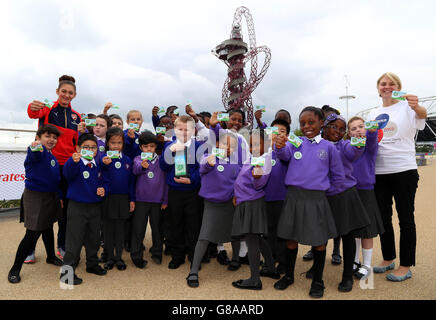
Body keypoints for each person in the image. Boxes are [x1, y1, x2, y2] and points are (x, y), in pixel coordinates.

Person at [273, 107, 343, 298]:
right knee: (291, 239)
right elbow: (284, 154)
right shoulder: (296, 142)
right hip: (294, 198)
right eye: (302, 123)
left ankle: (318, 280)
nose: (306, 126)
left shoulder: (329, 147)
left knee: (319, 242)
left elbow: (338, 177)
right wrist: (279, 146)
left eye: (311, 122)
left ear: (322, 123)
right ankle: (288, 276)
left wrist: (325, 195)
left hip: (317, 200)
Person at [367, 72, 427, 281]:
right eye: (383, 83)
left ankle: (406, 265)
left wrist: (417, 105)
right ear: (378, 87)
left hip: (404, 170)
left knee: (405, 218)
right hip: (379, 172)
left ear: (398, 86)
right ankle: (388, 257)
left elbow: (422, 115)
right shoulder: (373, 113)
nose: (387, 86)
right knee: (383, 218)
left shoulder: (407, 107)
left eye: (392, 83)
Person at [27, 75, 81, 260]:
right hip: (47, 165)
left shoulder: (77, 116)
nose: (67, 95)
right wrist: (32, 107)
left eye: (70, 93)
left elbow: (77, 142)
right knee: (40, 210)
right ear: (57, 92)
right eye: (63, 91)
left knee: (64, 209)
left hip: (67, 168)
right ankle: (30, 249)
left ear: (75, 95)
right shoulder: (48, 109)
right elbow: (33, 113)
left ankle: (62, 245)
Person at [321, 113, 371, 292]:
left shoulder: (345, 145)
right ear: (324, 127)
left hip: (344, 195)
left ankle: (347, 276)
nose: (338, 131)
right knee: (321, 235)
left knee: (348, 236)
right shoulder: (318, 145)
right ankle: (316, 268)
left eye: (342, 129)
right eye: (334, 126)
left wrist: (359, 141)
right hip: (323, 196)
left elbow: (354, 152)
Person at [8, 125, 64, 283]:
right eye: (48, 136)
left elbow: (56, 180)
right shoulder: (37, 151)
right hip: (35, 197)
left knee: (48, 227)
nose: (52, 140)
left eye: (54, 137)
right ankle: (15, 268)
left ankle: (51, 257)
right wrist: (33, 147)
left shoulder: (52, 157)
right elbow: (33, 153)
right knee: (32, 233)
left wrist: (59, 196)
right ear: (38, 138)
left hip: (51, 196)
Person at [186, 132, 242, 287]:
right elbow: (202, 168)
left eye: (232, 146)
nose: (228, 148)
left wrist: (237, 195)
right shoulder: (208, 158)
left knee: (235, 233)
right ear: (217, 144)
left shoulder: (236, 163)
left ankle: (236, 259)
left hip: (230, 204)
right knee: (204, 236)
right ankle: (193, 271)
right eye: (225, 144)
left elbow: (238, 182)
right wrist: (209, 163)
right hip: (212, 204)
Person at [231, 129, 279, 290]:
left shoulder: (265, 159)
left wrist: (258, 177)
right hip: (246, 201)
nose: (254, 147)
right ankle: (271, 268)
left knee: (252, 239)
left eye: (258, 144)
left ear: (267, 144)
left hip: (252, 203)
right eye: (251, 144)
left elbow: (259, 184)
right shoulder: (253, 157)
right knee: (257, 238)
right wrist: (236, 194)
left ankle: (254, 279)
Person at [59, 133, 109, 285]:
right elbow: (67, 174)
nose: (90, 150)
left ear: (97, 150)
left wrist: (103, 189)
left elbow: (105, 181)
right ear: (78, 148)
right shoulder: (75, 162)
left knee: (93, 238)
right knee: (74, 241)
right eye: (86, 147)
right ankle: (66, 274)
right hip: (77, 207)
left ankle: (92, 265)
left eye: (93, 147)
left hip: (95, 206)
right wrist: (72, 162)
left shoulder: (99, 164)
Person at [159, 115, 203, 269]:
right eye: (180, 129)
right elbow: (163, 167)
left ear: (193, 130)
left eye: (187, 129)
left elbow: (201, 169)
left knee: (193, 224)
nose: (184, 132)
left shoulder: (198, 146)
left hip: (192, 192)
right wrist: (168, 152)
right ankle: (177, 256)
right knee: (175, 223)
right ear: (174, 130)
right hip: (175, 192)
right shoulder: (169, 146)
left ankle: (193, 255)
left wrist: (192, 180)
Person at [303, 105, 342, 264]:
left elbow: (339, 173)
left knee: (336, 224)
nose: (329, 124)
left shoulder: (339, 142)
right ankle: (314, 249)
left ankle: (336, 251)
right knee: (317, 224)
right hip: (318, 194)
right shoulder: (312, 142)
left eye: (333, 121)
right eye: (327, 120)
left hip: (333, 191)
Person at [347, 116, 385, 280]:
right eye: (353, 128)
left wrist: (371, 131)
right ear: (349, 134)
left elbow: (370, 140)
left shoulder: (370, 147)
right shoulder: (348, 147)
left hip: (366, 192)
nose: (357, 130)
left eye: (360, 126)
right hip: (351, 192)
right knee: (354, 230)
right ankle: (354, 261)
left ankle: (367, 264)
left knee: (367, 232)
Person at [100, 128, 135, 271]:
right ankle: (109, 258)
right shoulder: (103, 159)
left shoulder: (127, 160)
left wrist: (132, 199)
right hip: (108, 198)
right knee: (108, 230)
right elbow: (99, 177)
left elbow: (131, 182)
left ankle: (119, 257)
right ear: (107, 143)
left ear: (123, 144)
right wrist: (104, 165)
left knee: (120, 230)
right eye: (113, 143)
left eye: (119, 143)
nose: (115, 146)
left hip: (123, 199)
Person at [131, 131, 168, 268]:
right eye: (146, 147)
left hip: (157, 201)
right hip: (141, 200)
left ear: (155, 147)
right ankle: (136, 255)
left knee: (157, 228)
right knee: (138, 229)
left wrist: (165, 200)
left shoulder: (160, 161)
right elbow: (135, 170)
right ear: (141, 147)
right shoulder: (138, 159)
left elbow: (165, 182)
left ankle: (157, 253)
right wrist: (142, 165)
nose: (149, 149)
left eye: (152, 146)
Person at [264, 119, 290, 275]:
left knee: (282, 232)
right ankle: (270, 260)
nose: (278, 134)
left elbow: (286, 158)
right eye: (275, 131)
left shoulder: (288, 150)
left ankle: (283, 261)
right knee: (268, 231)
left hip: (283, 197)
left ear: (287, 135)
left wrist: (281, 147)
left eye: (282, 131)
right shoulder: (263, 150)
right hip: (265, 197)